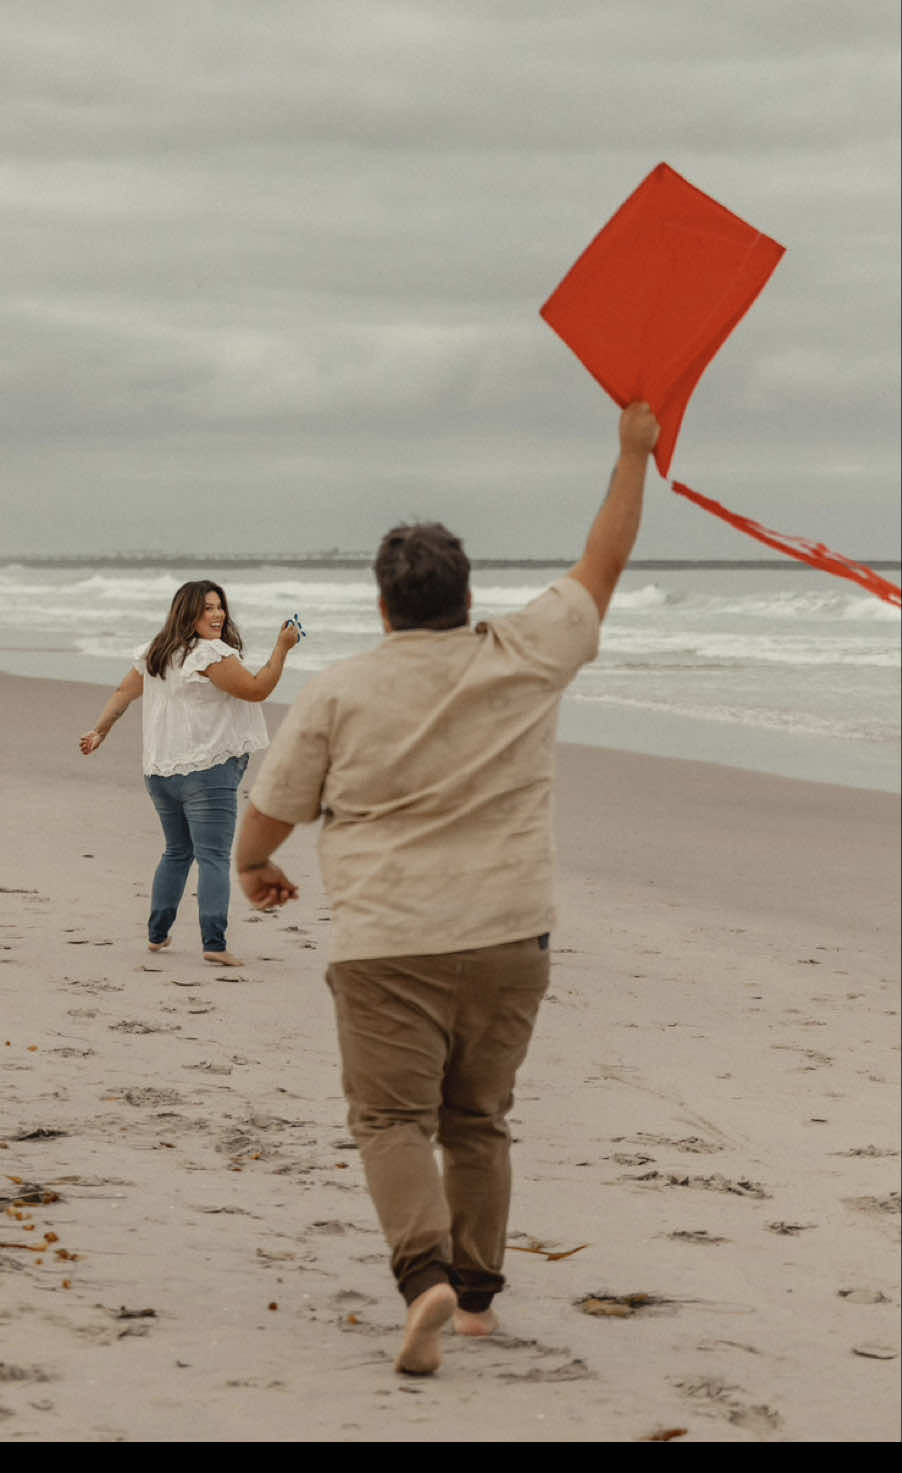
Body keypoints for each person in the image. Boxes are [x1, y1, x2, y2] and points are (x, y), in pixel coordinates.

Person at [232, 402, 660, 1374]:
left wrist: (255, 867)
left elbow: (269, 814)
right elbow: (604, 561)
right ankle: (473, 1303)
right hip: (511, 937)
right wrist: (632, 452)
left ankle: (421, 1275)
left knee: (391, 1120)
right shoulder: (525, 654)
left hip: (388, 944)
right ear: (467, 597)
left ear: (384, 606)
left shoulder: (340, 689)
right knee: (479, 1120)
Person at [79, 580, 300, 964]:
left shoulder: (158, 652)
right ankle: (214, 944)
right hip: (206, 771)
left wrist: (100, 730)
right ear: (188, 613)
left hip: (160, 772)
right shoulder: (210, 654)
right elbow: (256, 689)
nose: (217, 615)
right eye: (207, 608)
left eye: (219, 606)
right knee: (212, 857)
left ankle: (157, 935)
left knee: (177, 852)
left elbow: (124, 692)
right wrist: (282, 648)